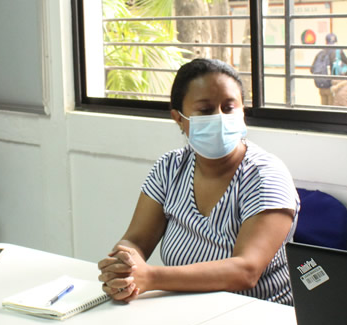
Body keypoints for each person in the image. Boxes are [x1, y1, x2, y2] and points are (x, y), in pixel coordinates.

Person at [97, 59, 299, 304]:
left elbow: (246, 271)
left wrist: (151, 277)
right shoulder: (170, 167)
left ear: (242, 111)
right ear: (179, 118)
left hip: (257, 314)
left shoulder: (265, 175)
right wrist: (123, 265)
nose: (219, 117)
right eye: (205, 110)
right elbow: (136, 240)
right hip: (185, 308)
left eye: (229, 107)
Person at [311, 33, 347, 106]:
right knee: (332, 109)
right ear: (336, 42)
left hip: (321, 87)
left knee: (323, 109)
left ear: (326, 42)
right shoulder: (338, 51)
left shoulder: (321, 53)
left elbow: (312, 69)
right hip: (332, 86)